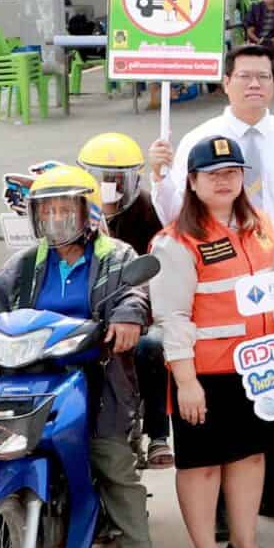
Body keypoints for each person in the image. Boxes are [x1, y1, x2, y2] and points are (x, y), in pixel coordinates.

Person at [0, 163, 170, 548]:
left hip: (97, 378)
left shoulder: (115, 255)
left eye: (67, 208)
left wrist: (126, 319)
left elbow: (133, 295)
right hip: (29, 380)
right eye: (47, 210)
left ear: (87, 212)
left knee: (112, 462)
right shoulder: (23, 265)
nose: (57, 218)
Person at [150, 42, 274, 526]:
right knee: (226, 407)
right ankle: (224, 505)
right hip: (217, 290)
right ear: (225, 83)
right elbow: (175, 214)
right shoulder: (201, 138)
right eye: (244, 76)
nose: (254, 84)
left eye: (263, 76)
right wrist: (158, 173)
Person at [148, 133, 274, 548]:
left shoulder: (261, 224)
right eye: (214, 174)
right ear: (192, 181)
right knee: (203, 465)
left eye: (233, 173)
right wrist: (185, 382)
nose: (226, 181)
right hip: (205, 374)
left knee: (250, 457)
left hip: (259, 367)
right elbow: (173, 317)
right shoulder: (175, 242)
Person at [81, 129, 169, 467]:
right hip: (86, 311)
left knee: (152, 347)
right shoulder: (75, 211)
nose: (109, 187)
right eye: (100, 178)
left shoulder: (146, 208)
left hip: (136, 310)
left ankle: (158, 435)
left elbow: (155, 265)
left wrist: (136, 306)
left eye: (118, 179)